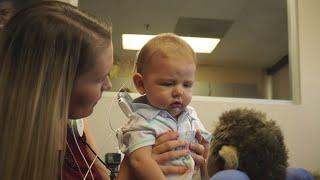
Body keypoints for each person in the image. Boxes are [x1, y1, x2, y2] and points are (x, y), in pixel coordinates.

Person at [0, 1, 207, 180]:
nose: (108, 85)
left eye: (187, 84)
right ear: (58, 84)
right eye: (99, 78)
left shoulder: (76, 130)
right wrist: (136, 164)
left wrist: (194, 161)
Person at [116, 33, 211, 180]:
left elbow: (206, 150)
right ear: (141, 84)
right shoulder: (142, 121)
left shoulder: (191, 115)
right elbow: (139, 161)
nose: (179, 91)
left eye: (187, 85)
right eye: (168, 83)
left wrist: (204, 159)